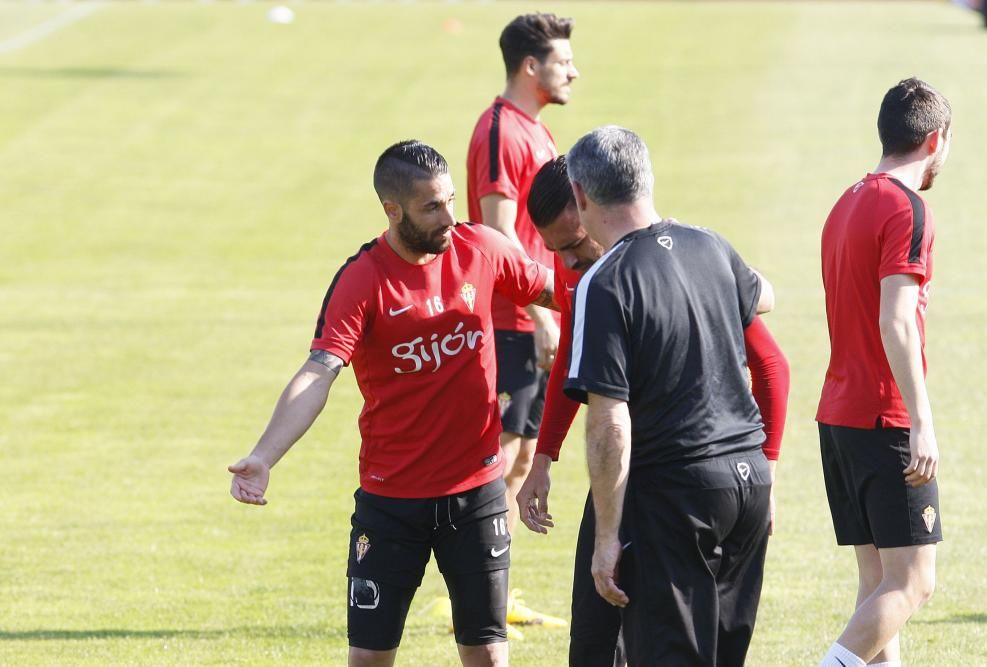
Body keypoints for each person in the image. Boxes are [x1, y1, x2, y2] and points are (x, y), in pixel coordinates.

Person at [228, 140, 556, 667]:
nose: (450, 216)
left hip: (477, 496)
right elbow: (320, 371)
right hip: (392, 503)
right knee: (370, 659)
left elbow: (560, 288)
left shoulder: (482, 249)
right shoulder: (362, 279)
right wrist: (264, 456)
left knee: (489, 656)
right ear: (392, 209)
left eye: (450, 200)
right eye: (432, 207)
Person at [516, 156, 790, 667]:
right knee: (597, 642)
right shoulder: (595, 274)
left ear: (588, 206)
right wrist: (544, 457)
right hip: (633, 484)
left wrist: (767, 465)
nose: (568, 263)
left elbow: (772, 364)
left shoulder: (659, 266)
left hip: (668, 491)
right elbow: (575, 364)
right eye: (555, 252)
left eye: (573, 245)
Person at [816, 78, 951, 667]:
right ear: (935, 139)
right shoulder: (908, 208)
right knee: (915, 581)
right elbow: (896, 321)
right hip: (884, 418)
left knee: (878, 584)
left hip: (839, 416)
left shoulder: (846, 201)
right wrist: (921, 421)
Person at [465, 11, 579, 628]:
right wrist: (540, 317)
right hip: (512, 321)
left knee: (524, 453)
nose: (573, 71)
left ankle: (498, 593)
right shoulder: (500, 132)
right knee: (503, 454)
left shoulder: (534, 130)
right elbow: (498, 234)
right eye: (563, 61)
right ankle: (480, 589)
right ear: (530, 66)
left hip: (535, 316)